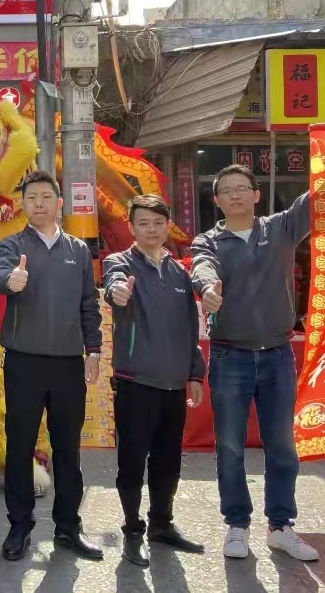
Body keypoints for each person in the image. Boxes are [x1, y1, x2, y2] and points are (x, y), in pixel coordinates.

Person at [191, 164, 317, 562]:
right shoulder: (208, 241)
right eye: (226, 190)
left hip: (277, 354)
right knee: (230, 445)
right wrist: (208, 288)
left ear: (256, 195)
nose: (235, 195)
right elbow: (201, 268)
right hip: (230, 356)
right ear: (216, 200)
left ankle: (280, 526)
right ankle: (237, 525)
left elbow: (321, 194)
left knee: (281, 444)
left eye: (242, 188)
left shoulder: (281, 228)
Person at [0, 171, 104, 562]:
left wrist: (94, 350)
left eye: (45, 197)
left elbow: (89, 303)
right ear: (22, 204)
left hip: (68, 364)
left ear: (59, 203)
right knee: (20, 446)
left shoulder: (78, 250)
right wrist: (11, 280)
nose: (38, 204)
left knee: (68, 449)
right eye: (31, 198)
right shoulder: (12, 245)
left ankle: (68, 526)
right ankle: (19, 526)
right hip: (24, 361)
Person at [102, 194, 207, 568]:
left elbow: (190, 327)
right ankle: (133, 529)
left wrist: (194, 373)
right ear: (131, 227)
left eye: (158, 223)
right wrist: (118, 291)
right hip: (136, 382)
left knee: (168, 461)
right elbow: (113, 284)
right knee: (132, 461)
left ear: (167, 227)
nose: (151, 229)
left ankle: (162, 524)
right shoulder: (119, 263)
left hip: (174, 385)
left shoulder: (179, 273)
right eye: (143, 223)